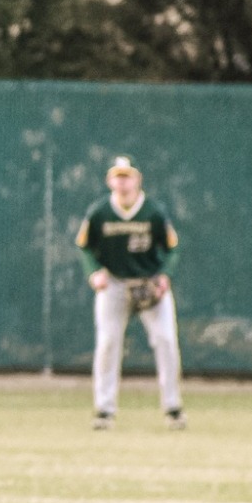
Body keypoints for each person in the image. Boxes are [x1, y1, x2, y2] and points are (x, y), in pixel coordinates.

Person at [75, 155, 185, 431]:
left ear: (138, 179)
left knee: (166, 341)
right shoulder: (100, 212)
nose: (123, 181)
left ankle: (173, 408)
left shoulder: (153, 212)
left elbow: (172, 247)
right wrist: (94, 271)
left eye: (128, 175)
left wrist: (164, 276)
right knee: (108, 343)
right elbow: (84, 246)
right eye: (118, 176)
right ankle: (104, 410)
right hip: (114, 284)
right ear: (109, 180)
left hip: (149, 286)